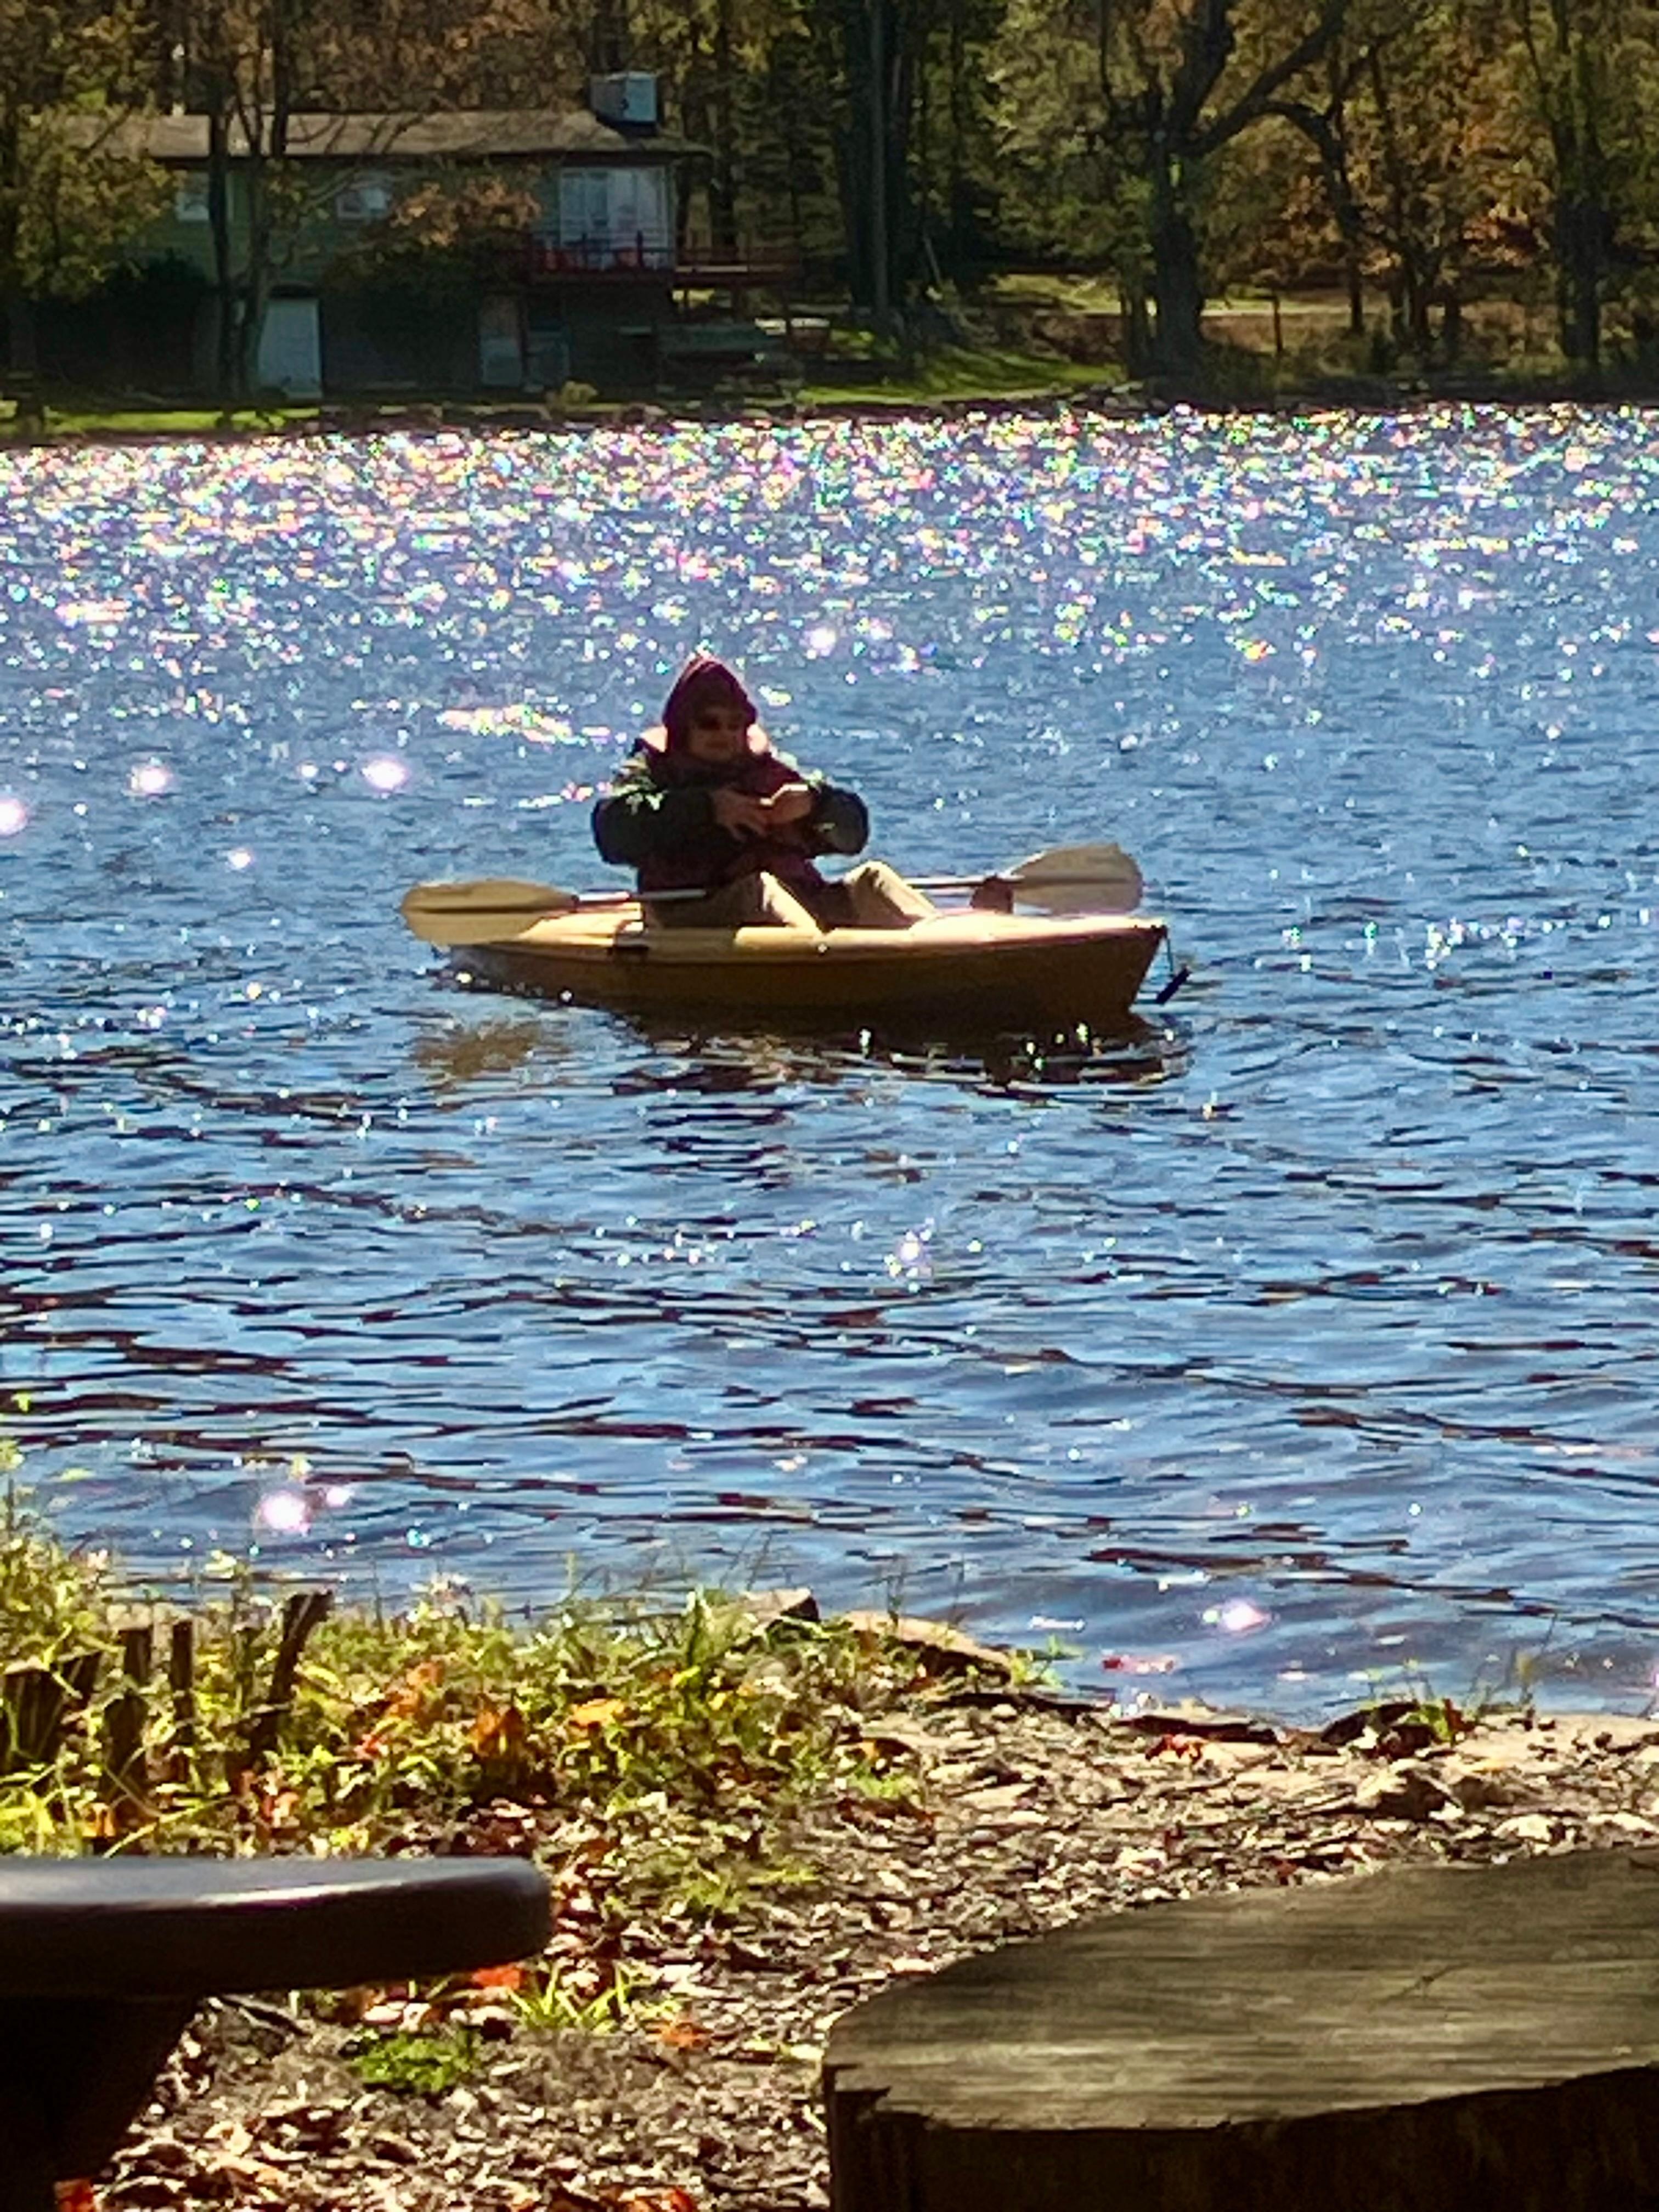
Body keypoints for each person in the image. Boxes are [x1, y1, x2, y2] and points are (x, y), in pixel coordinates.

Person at [591, 654, 936, 930]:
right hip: (697, 912)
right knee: (760, 889)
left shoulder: (770, 771)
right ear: (684, 728)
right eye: (710, 723)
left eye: (736, 724)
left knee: (872, 878)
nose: (725, 734)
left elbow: (852, 833)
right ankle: (816, 959)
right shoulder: (652, 770)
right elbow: (613, 830)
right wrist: (708, 809)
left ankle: (950, 948)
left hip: (797, 899)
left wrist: (815, 804)